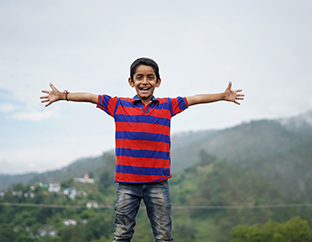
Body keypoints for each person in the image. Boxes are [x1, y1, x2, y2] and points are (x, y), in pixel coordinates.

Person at [40, 57, 244, 242]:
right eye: (139, 77)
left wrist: (222, 96)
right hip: (127, 185)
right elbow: (91, 97)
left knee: (163, 237)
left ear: (158, 82)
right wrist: (63, 95)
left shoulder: (167, 106)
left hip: (158, 184)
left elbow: (195, 99)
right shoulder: (118, 105)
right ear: (131, 82)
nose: (144, 82)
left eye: (150, 77)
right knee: (122, 235)